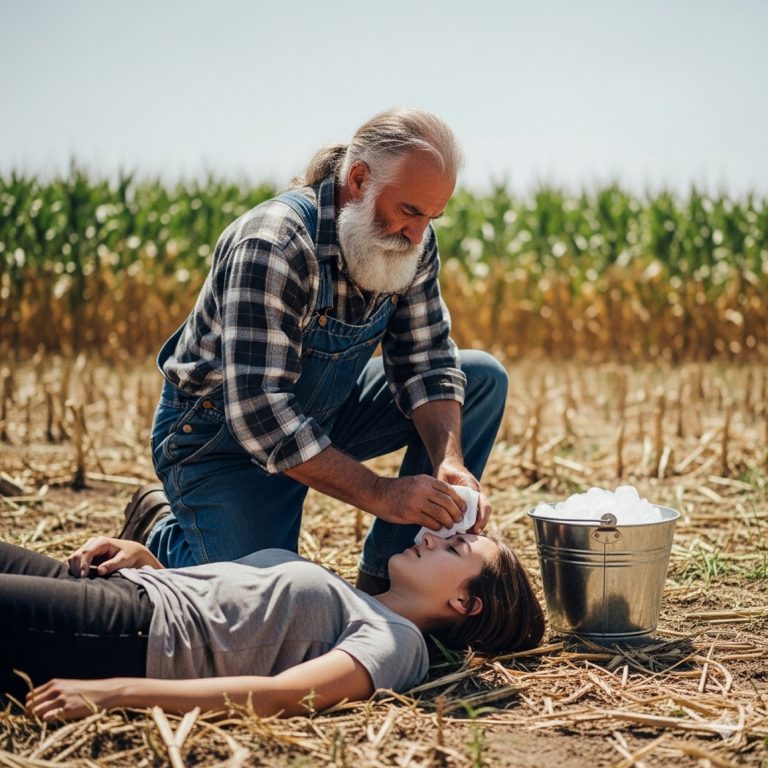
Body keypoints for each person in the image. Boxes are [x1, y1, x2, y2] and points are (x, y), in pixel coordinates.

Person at [135, 107, 509, 592]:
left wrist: (448, 460)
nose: (418, 233)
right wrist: (380, 492)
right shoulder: (274, 244)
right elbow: (260, 412)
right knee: (260, 598)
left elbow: (429, 360)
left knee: (480, 378)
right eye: (410, 211)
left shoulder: (411, 240)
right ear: (359, 180)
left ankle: (387, 578)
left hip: (318, 417)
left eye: (432, 216)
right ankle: (161, 531)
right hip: (223, 443)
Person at [1, 532, 545, 721]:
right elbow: (236, 614)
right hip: (128, 592)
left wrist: (115, 693)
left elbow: (283, 696)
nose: (429, 536)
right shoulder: (355, 597)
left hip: (132, 634)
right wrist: (149, 561)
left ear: (464, 602)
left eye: (452, 547)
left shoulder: (398, 642)